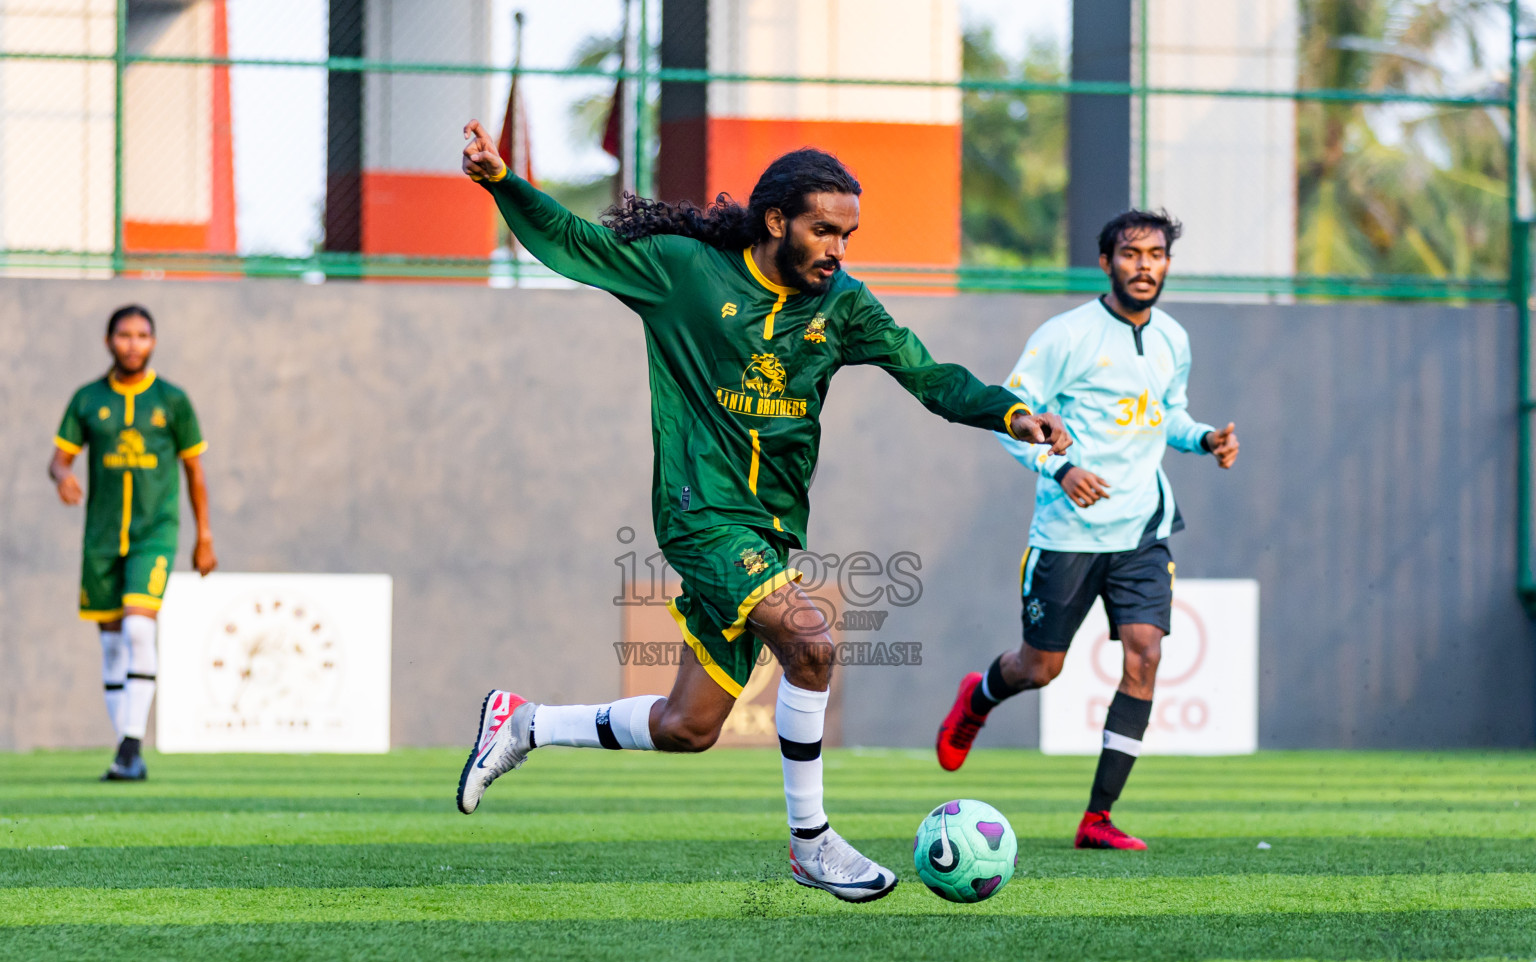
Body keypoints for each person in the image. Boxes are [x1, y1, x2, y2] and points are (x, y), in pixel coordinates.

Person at [453, 119, 1069, 902]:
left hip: (769, 532)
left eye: (848, 233)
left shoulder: (842, 305)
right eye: (824, 230)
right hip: (699, 511)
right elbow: (576, 242)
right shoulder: (685, 273)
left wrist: (1010, 413)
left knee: (688, 727)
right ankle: (811, 843)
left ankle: (523, 722)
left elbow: (929, 375)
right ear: (776, 220)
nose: (838, 248)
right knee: (811, 641)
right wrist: (503, 182)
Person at [934, 209, 1239, 850]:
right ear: (1106, 262)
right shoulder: (1066, 336)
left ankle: (1097, 818)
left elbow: (1169, 415)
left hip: (1142, 531)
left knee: (1146, 654)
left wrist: (1203, 438)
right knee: (1040, 668)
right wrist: (1062, 466)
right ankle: (979, 697)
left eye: (1156, 254)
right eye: (1131, 253)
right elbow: (1011, 417)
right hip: (1068, 535)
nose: (1145, 265)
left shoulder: (1173, 339)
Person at [51, 305, 217, 781]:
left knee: (139, 630)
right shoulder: (87, 400)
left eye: (142, 335)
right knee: (111, 646)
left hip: (154, 535)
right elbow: (58, 460)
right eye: (124, 335)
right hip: (101, 539)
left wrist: (203, 536)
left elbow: (195, 471)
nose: (133, 343)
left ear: (153, 342)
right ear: (108, 341)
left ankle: (130, 745)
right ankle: (125, 750)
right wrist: (62, 476)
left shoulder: (172, 400)